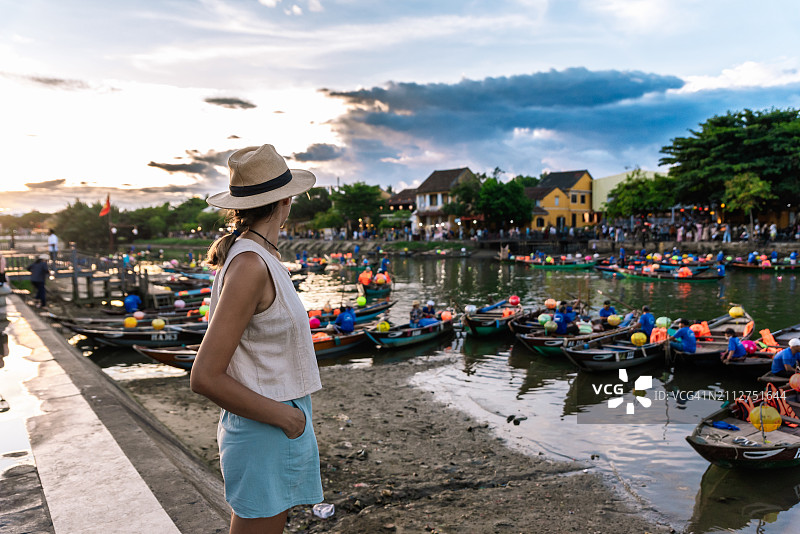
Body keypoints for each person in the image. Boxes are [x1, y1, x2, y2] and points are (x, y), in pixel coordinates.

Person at [189, 144, 323, 533]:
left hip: (274, 420)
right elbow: (205, 376)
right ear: (287, 200)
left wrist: (295, 417)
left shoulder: (259, 257)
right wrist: (288, 418)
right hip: (267, 422)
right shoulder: (250, 264)